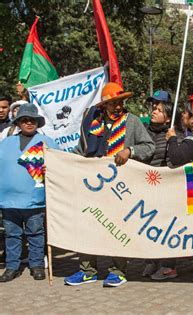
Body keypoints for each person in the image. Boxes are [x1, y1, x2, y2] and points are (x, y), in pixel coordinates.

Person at [64, 82, 155, 287]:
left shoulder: (132, 122)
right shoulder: (92, 124)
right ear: (104, 105)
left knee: (116, 227)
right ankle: (87, 270)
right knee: (87, 227)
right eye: (113, 103)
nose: (118, 106)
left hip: (119, 187)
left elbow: (149, 146)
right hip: (92, 186)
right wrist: (58, 163)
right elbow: (80, 151)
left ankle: (118, 270)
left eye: (120, 102)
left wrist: (129, 151)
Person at [0, 103, 60, 282]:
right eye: (24, 120)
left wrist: (51, 168)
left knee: (35, 234)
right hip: (8, 200)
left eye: (32, 120)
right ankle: (12, 267)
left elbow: (61, 165)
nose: (28, 123)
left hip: (35, 199)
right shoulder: (5, 143)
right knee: (12, 235)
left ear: (37, 122)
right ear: (18, 123)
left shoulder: (47, 143)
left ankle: (36, 265)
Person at [141, 89, 183, 280]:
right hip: (147, 188)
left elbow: (178, 161)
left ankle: (168, 266)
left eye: (158, 108)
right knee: (148, 225)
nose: (153, 111)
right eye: (152, 107)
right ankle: (152, 260)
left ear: (168, 116)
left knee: (166, 227)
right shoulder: (144, 131)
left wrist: (172, 140)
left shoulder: (176, 134)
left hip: (166, 190)